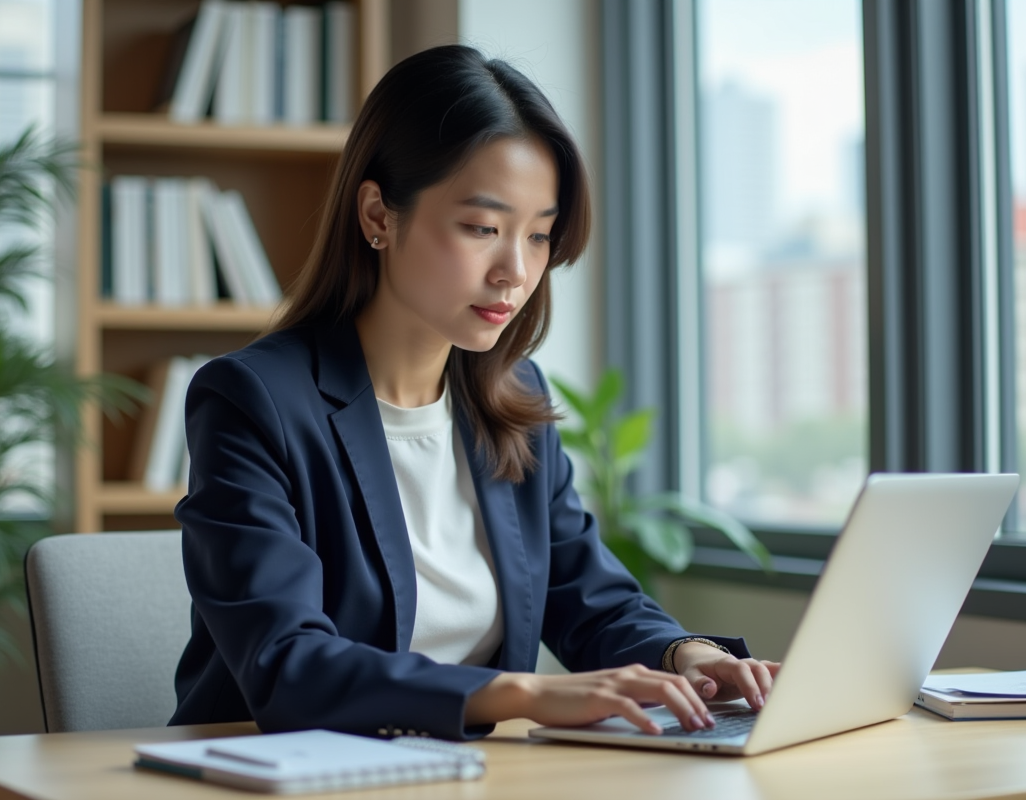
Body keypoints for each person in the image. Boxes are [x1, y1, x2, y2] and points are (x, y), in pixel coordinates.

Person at [170, 44, 778, 741]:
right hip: (282, 777)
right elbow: (288, 665)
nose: (514, 273)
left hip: (465, 776)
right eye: (482, 229)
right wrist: (521, 693)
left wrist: (686, 654)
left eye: (540, 236)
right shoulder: (253, 401)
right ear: (378, 215)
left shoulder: (512, 397)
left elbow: (588, 599)